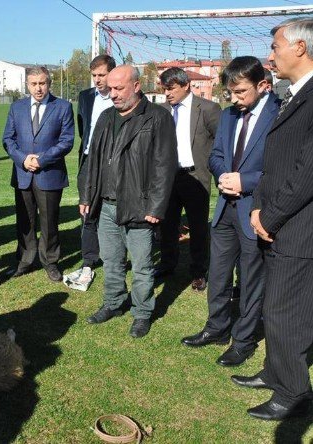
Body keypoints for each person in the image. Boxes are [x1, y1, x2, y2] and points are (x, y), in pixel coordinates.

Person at [233, 18, 313, 421]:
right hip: (276, 221)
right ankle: (274, 370)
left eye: (277, 46)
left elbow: (306, 172)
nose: (271, 55)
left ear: (300, 48)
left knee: (288, 313)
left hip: (299, 228)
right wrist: (259, 210)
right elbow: (278, 163)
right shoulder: (294, 94)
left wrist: (272, 215)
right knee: (274, 306)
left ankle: (294, 392)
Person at [181, 56, 278, 367]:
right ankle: (216, 328)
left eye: (241, 92)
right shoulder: (228, 116)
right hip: (225, 210)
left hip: (255, 210)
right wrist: (223, 174)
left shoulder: (280, 115)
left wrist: (245, 181)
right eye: (230, 93)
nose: (235, 99)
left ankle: (244, 340)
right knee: (219, 274)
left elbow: (284, 169)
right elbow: (216, 155)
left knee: (251, 280)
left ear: (263, 85)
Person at [78, 65, 177, 338]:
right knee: (111, 261)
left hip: (140, 206)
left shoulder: (158, 117)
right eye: (110, 89)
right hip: (106, 205)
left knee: (143, 266)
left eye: (119, 88)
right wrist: (87, 194)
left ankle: (142, 312)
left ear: (136, 85)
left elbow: (165, 166)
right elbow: (93, 160)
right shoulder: (106, 117)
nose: (113, 94)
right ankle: (114, 302)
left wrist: (156, 207)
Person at [3, 66, 74, 282]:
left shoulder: (62, 107)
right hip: (23, 173)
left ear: (49, 83)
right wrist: (23, 159)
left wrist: (41, 159)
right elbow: (8, 139)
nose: (38, 88)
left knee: (49, 221)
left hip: (49, 173)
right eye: (34, 84)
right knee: (25, 220)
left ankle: (50, 261)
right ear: (27, 85)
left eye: (42, 83)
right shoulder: (17, 107)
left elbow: (67, 141)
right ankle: (25, 259)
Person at [156, 68, 221, 291]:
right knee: (168, 224)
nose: (167, 93)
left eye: (171, 88)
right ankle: (167, 264)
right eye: (164, 89)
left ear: (186, 85)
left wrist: (213, 169)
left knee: (198, 227)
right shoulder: (162, 110)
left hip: (195, 176)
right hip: (168, 178)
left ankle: (198, 271)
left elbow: (220, 144)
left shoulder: (209, 109)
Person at [65, 54, 116, 291]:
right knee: (86, 211)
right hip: (88, 162)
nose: (97, 80)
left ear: (112, 74)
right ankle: (88, 260)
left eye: (101, 75)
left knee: (114, 209)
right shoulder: (85, 97)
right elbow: (82, 128)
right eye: (94, 75)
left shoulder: (122, 97)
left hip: (115, 164)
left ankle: (116, 256)